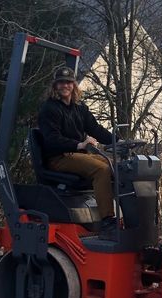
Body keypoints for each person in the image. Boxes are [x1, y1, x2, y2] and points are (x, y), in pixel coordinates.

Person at [38, 66, 116, 236]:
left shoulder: (79, 108)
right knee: (101, 169)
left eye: (68, 82)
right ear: (55, 86)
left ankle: (122, 215)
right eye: (60, 83)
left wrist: (118, 142)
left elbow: (95, 129)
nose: (64, 86)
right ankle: (108, 220)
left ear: (73, 85)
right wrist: (79, 145)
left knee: (117, 165)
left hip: (79, 155)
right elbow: (52, 139)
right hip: (59, 157)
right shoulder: (49, 109)